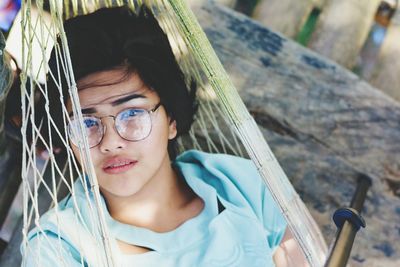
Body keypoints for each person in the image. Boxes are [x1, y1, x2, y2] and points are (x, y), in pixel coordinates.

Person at [22, 5, 308, 267]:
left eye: (132, 114)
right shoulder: (61, 249)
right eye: (85, 123)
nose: (110, 142)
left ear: (171, 118)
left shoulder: (239, 185)